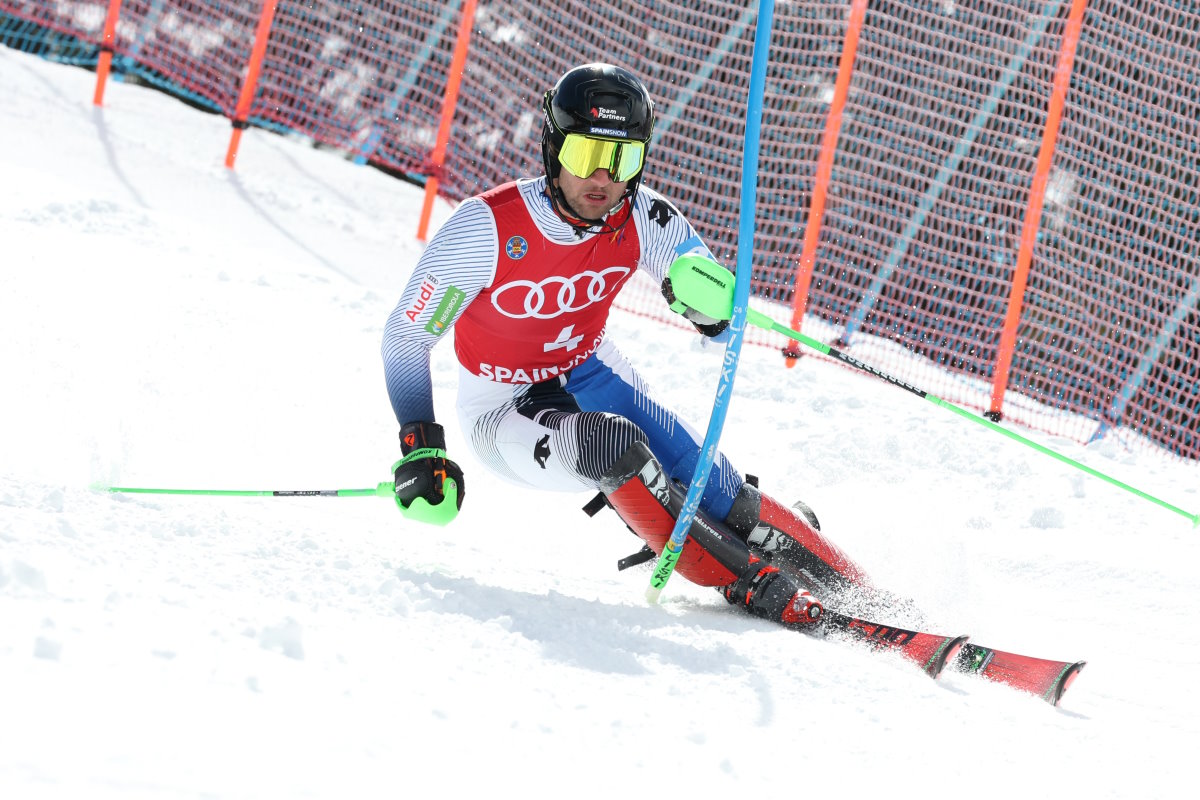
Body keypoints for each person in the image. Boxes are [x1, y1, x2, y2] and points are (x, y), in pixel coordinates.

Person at [381, 62, 875, 631]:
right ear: (553, 149)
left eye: (623, 160)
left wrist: (708, 302)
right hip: (501, 407)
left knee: (719, 491)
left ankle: (870, 599)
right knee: (613, 448)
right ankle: (756, 583)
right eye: (585, 156)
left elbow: (713, 300)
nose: (603, 179)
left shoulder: (642, 216)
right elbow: (406, 337)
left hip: (593, 374)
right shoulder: (488, 229)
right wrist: (421, 444)